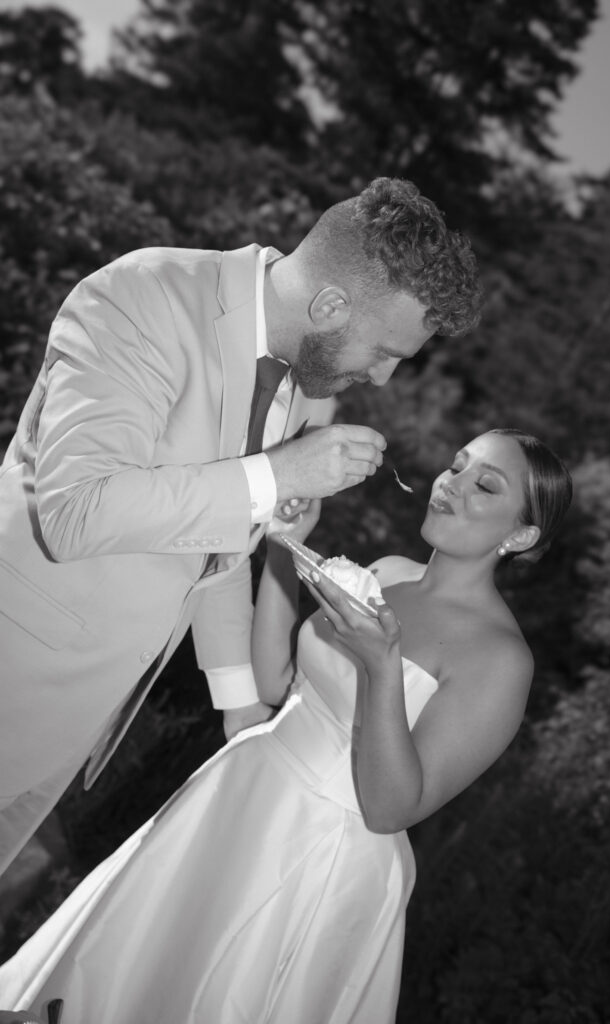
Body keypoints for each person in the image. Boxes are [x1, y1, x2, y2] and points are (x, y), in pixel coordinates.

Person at [0, 428, 572, 1023]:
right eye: (456, 466)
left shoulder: (502, 659)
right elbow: (275, 681)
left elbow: (391, 808)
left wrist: (382, 669)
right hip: (240, 794)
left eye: (484, 485)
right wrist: (283, 548)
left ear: (522, 533)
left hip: (318, 853)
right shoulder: (391, 572)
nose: (452, 485)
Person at [0, 177, 482, 873]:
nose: (380, 381)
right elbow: (75, 512)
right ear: (329, 303)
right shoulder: (143, 297)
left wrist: (237, 708)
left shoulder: (307, 387)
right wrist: (277, 478)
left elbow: (211, 552)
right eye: (383, 353)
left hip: (81, 719)